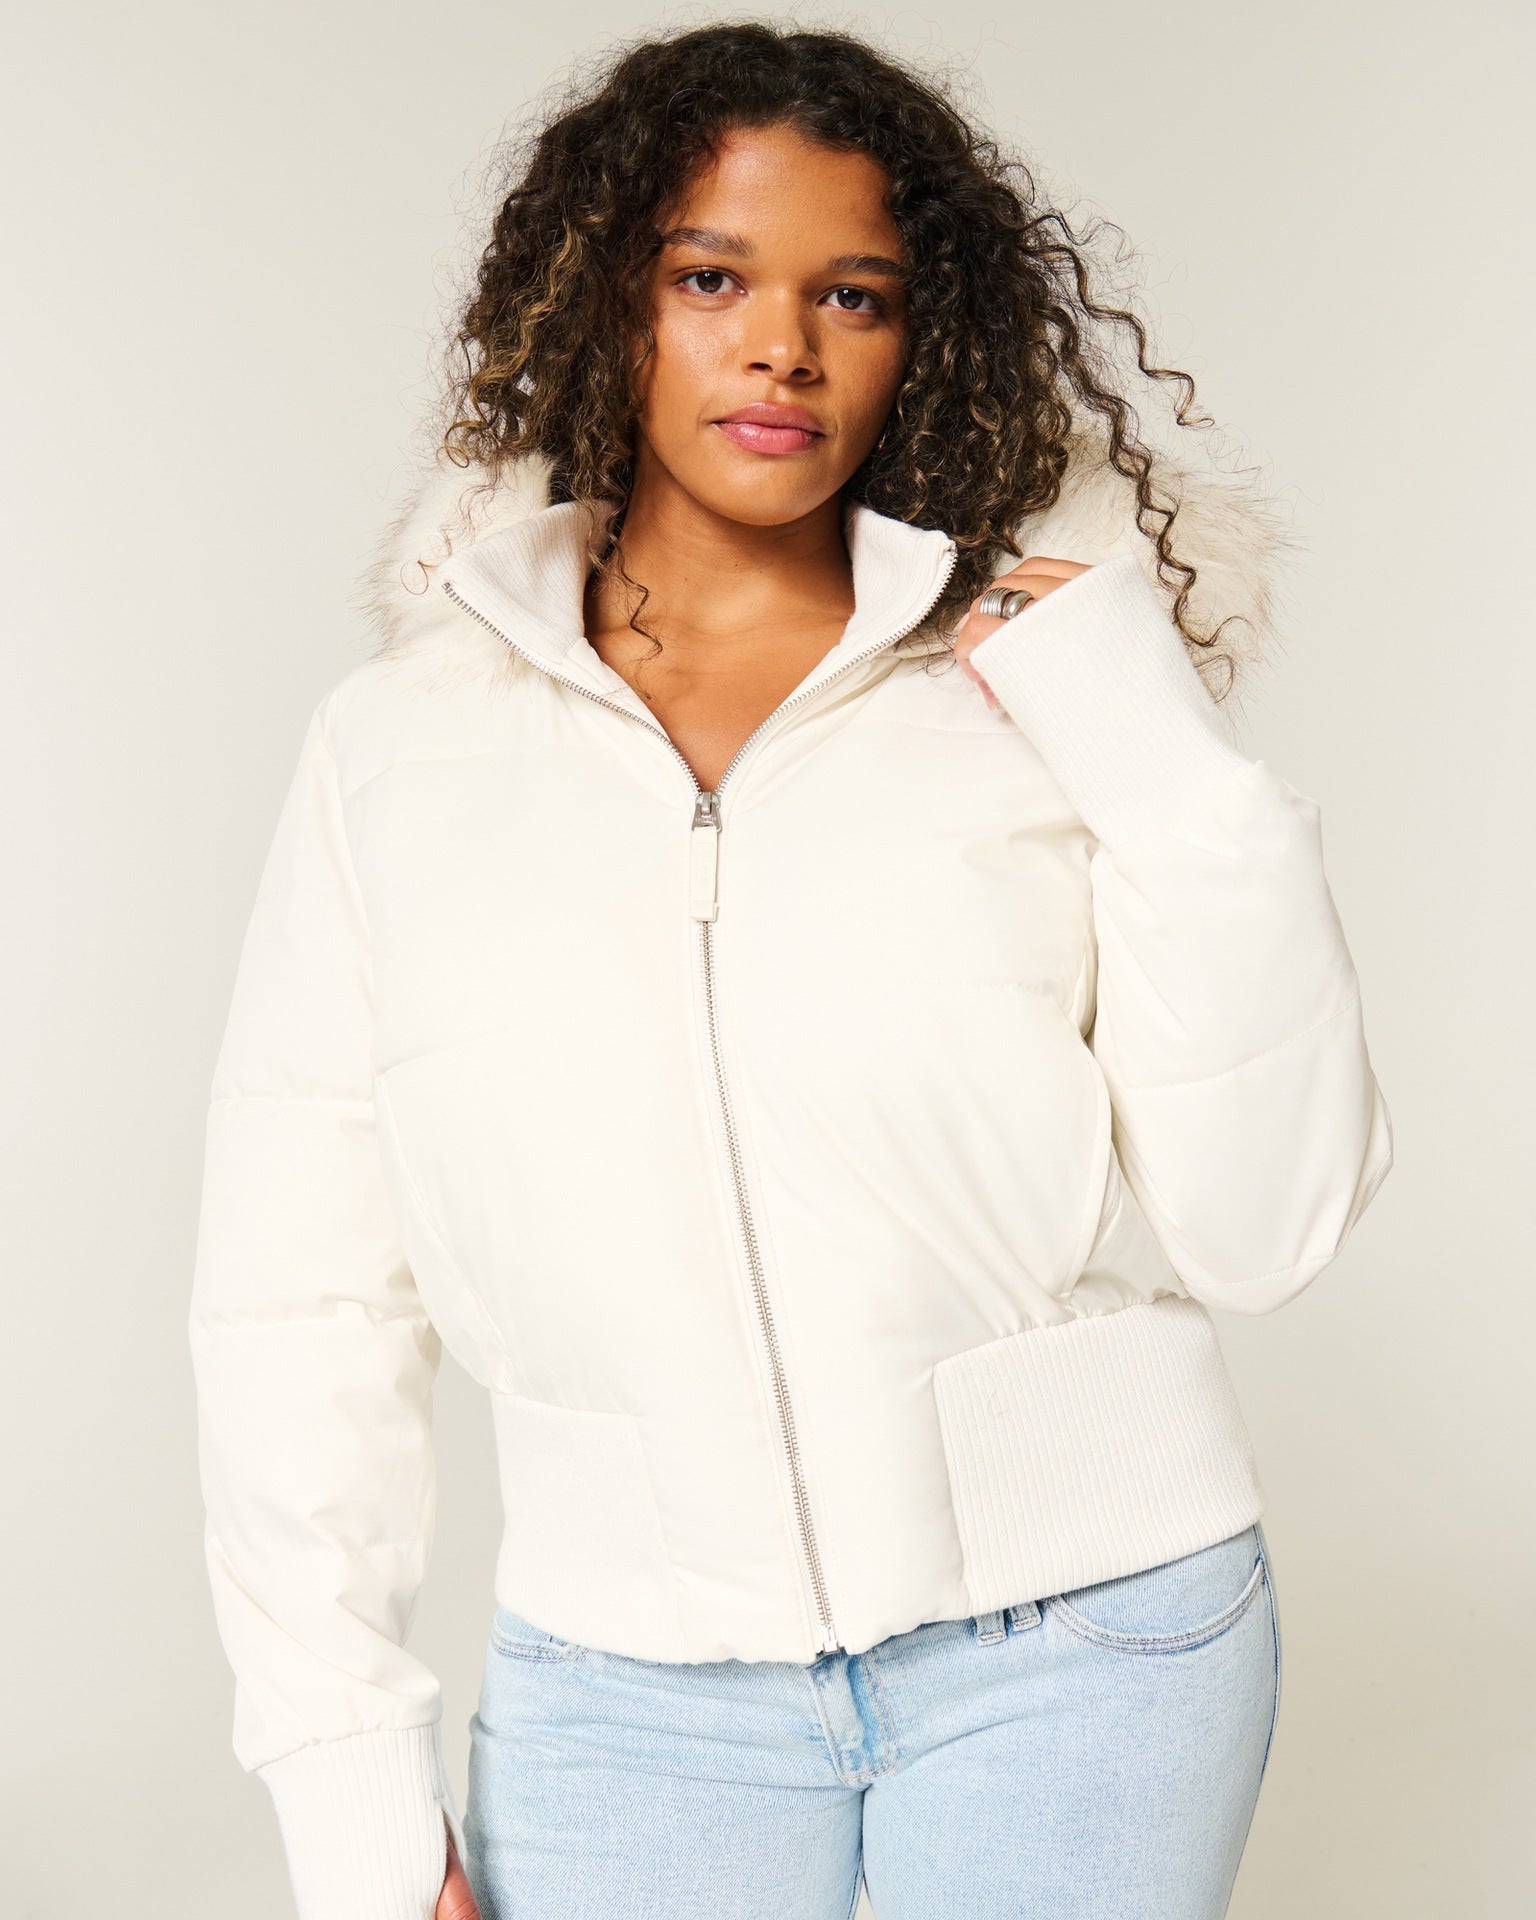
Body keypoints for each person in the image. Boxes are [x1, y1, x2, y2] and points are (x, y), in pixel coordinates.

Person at [188, 22, 1395, 1920]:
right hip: (624, 1699)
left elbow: (1265, 1228)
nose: (783, 348)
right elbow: (300, 1302)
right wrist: (344, 1781)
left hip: (1090, 1652)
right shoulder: (397, 752)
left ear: (922, 337)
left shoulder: (1039, 702)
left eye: (854, 294)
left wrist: (1158, 750)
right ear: (607, 302)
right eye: (710, 279)